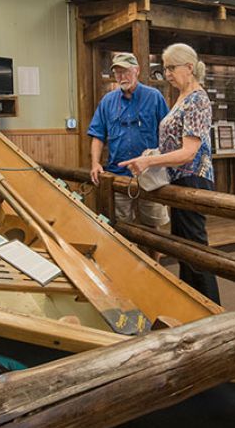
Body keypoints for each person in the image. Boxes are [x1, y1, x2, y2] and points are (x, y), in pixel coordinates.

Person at [119, 43, 220, 304]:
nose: (167, 74)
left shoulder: (197, 100)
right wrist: (151, 155)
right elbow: (172, 145)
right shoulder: (181, 98)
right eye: (165, 69)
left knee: (196, 251)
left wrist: (149, 162)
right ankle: (193, 305)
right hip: (178, 179)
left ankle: (212, 308)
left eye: (171, 68)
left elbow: (188, 152)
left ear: (189, 67)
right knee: (184, 249)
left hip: (192, 179)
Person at [88, 52, 170, 230]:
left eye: (126, 71)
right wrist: (95, 163)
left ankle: (151, 250)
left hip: (151, 174)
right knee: (121, 226)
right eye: (117, 72)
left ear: (137, 71)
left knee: (153, 227)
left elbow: (168, 134)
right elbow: (97, 135)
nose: (122, 76)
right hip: (118, 174)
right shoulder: (107, 101)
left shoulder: (154, 97)